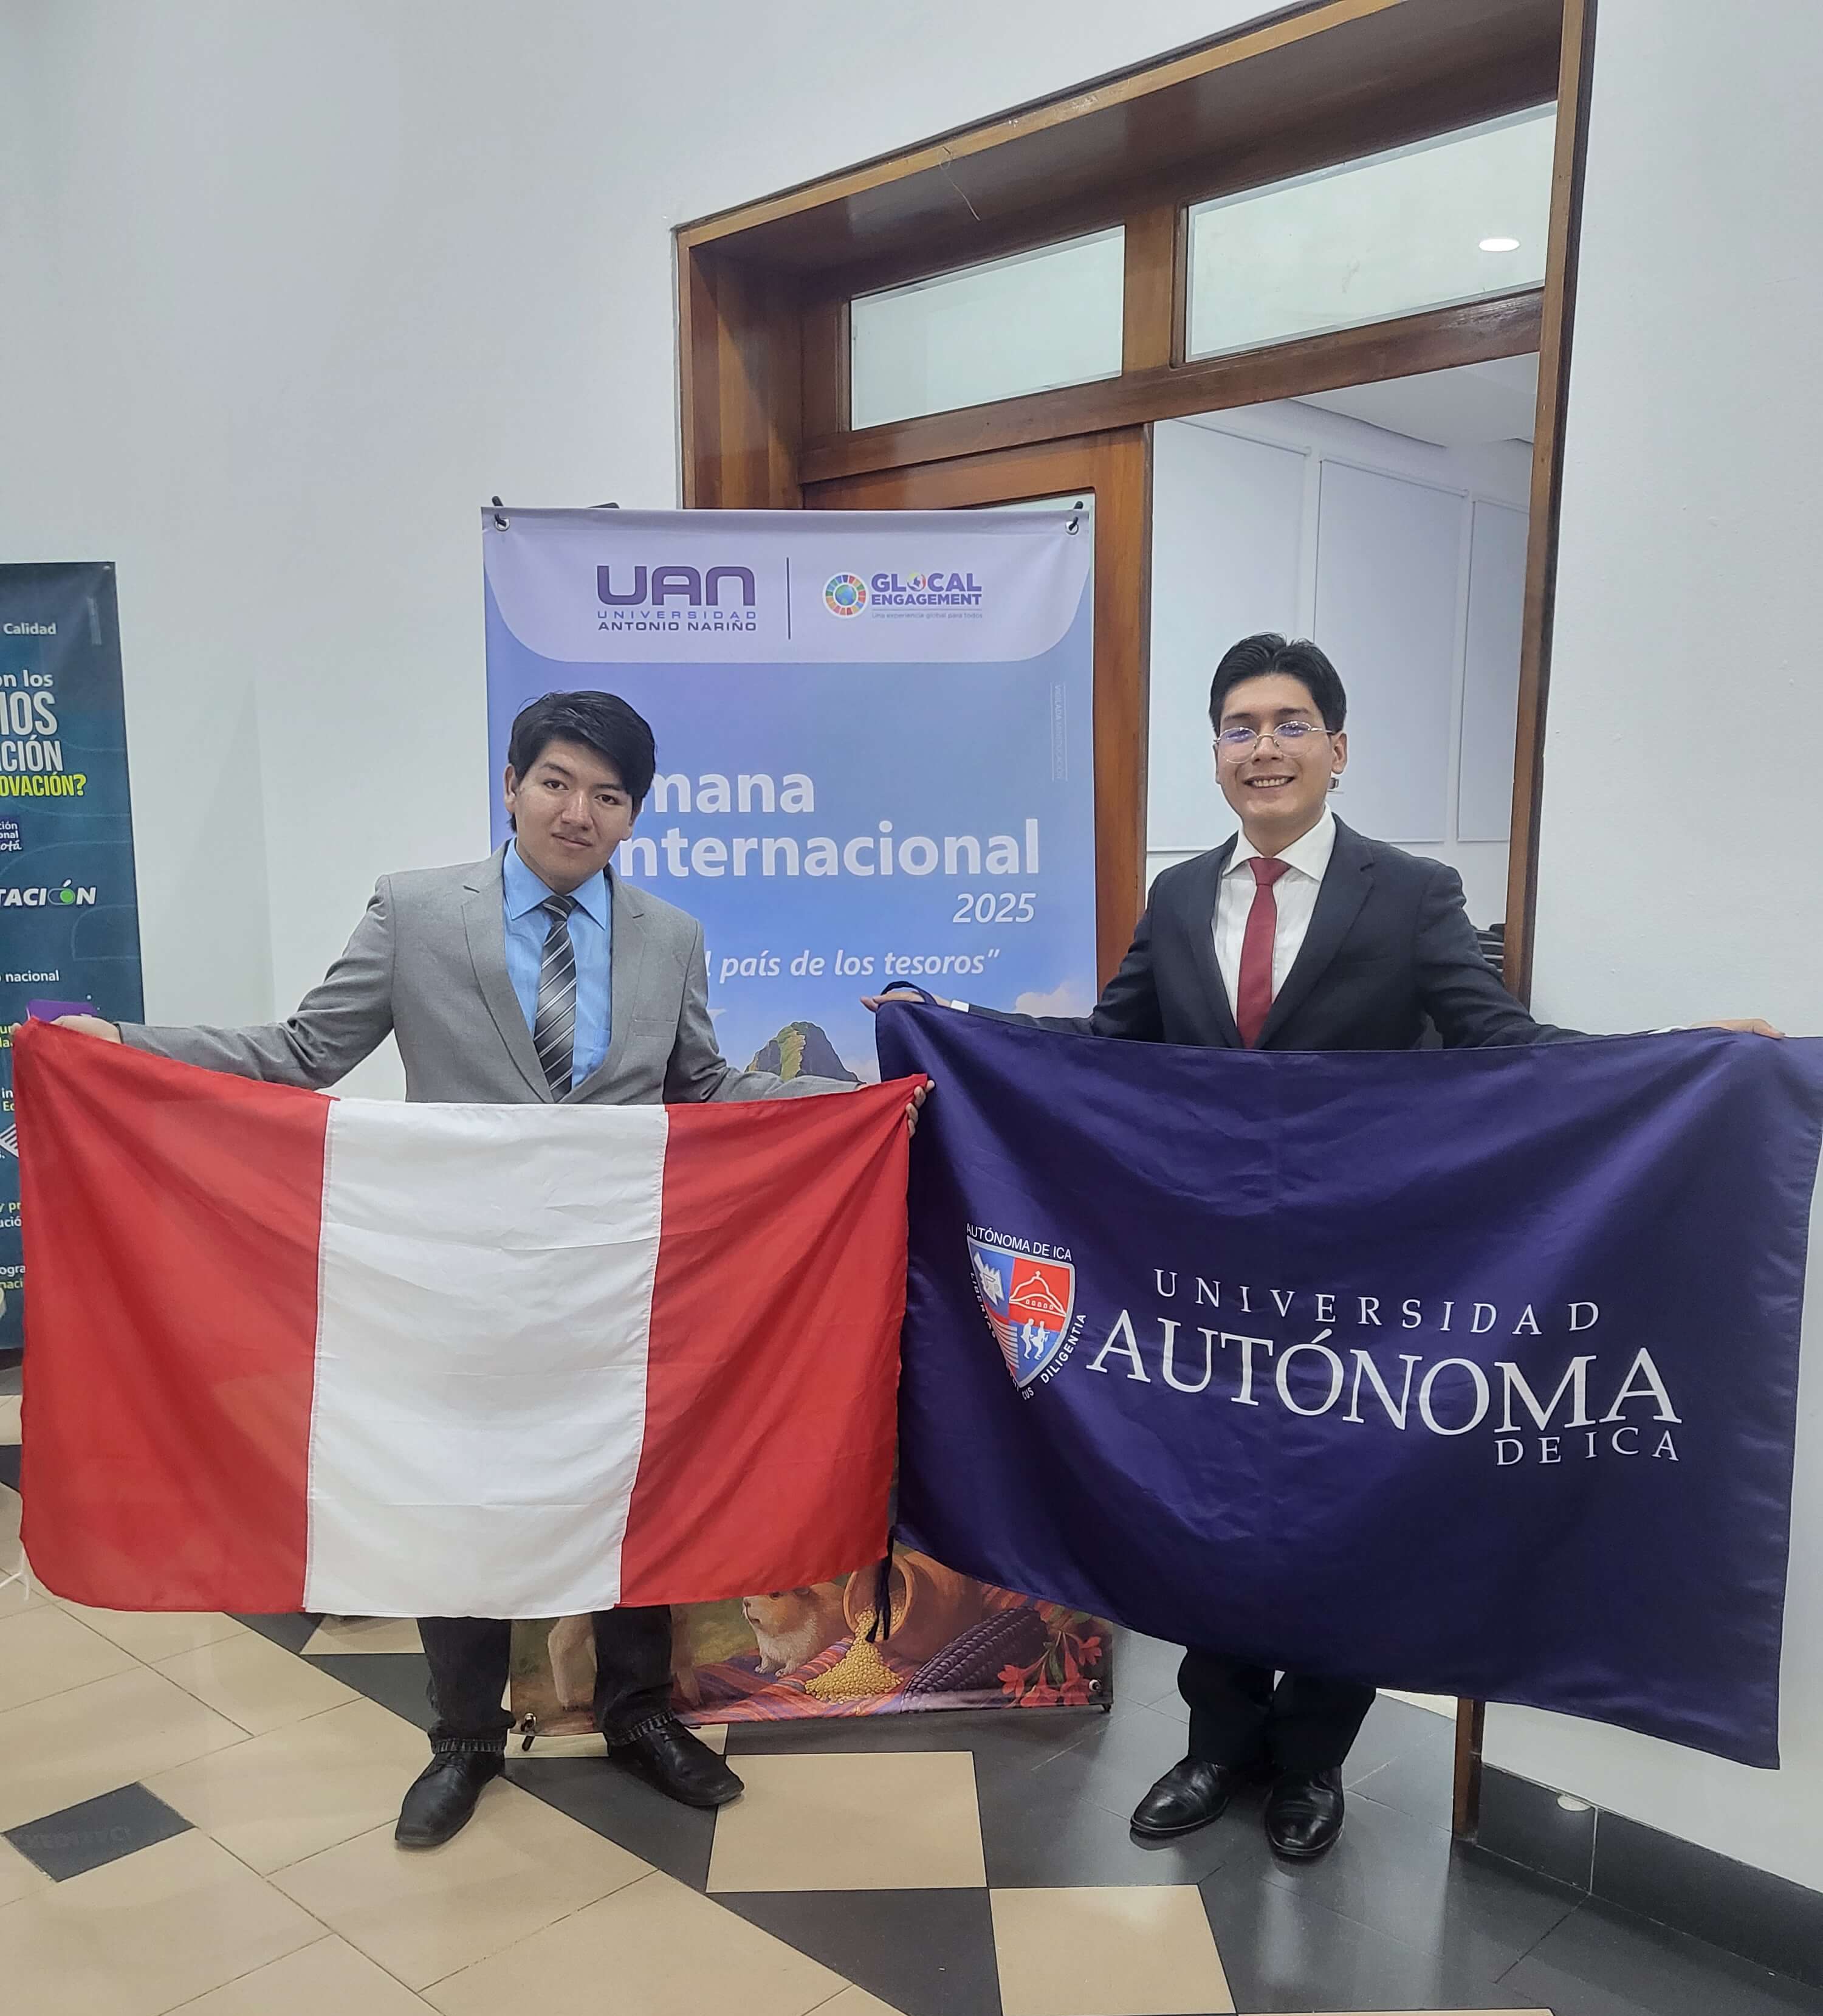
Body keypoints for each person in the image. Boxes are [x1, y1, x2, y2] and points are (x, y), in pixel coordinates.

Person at [901, 633, 1776, 1862]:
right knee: (1203, 1499)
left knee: (1336, 1512)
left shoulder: (1408, 893)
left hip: (1353, 1276)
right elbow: (1101, 1060)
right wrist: (958, 1035)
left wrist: (1683, 1058)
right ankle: (1217, 1743)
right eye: (1241, 725)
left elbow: (1498, 1046)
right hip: (1199, 1270)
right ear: (1216, 755)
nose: (1265, 746)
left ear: (1338, 749)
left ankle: (1312, 1759)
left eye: (1290, 723)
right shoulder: (1175, 896)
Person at [57, 689, 903, 1851]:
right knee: (454, 1494)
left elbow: (703, 1090)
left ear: (633, 817)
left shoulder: (669, 936)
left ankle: (638, 1714)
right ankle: (461, 1738)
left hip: (612, 1283)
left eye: (609, 796)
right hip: (452, 1275)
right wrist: (126, 1046)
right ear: (511, 789)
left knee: (629, 1488)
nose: (579, 811)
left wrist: (864, 1104)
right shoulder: (415, 913)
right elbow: (304, 1053)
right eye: (557, 782)